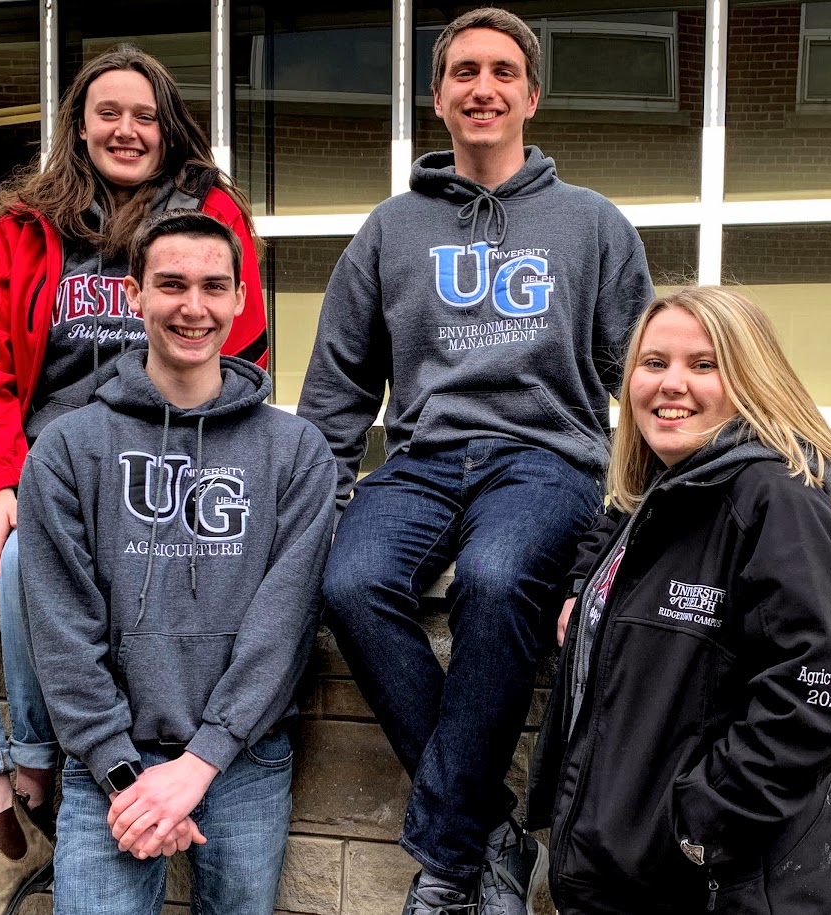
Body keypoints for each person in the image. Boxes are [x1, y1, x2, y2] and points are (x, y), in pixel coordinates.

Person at [0, 45, 267, 915]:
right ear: (80, 125)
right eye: (108, 114)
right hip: (11, 448)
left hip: (130, 458)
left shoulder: (208, 216)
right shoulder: (27, 225)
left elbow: (236, 350)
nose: (126, 130)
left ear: (168, 128)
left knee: (33, 558)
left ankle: (34, 771)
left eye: (144, 116)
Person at [296, 8, 654, 915]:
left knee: (495, 578)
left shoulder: (592, 223)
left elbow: (647, 377)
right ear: (438, 98)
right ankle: (488, 827)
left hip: (545, 459)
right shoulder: (389, 229)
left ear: (530, 97)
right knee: (350, 581)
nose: (482, 88)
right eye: (464, 72)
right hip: (421, 458)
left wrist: (643, 508)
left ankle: (449, 864)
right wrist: (324, 503)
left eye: (501, 72)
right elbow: (337, 388)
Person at [16, 209, 335, 915]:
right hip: (110, 763)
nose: (194, 307)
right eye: (171, 284)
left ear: (240, 298)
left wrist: (201, 761)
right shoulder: (68, 449)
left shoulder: (294, 452)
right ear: (134, 295)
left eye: (213, 286)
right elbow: (62, 631)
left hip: (245, 758)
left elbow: (283, 624)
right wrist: (124, 774)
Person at [526, 286, 831, 914]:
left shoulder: (775, 503)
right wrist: (583, 588)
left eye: (703, 364)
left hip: (716, 889)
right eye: (654, 363)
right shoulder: (660, 496)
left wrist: (696, 827)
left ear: (751, 380)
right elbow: (612, 520)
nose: (671, 383)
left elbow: (817, 703)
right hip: (619, 880)